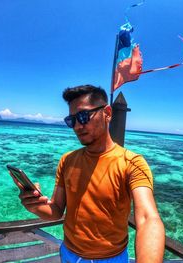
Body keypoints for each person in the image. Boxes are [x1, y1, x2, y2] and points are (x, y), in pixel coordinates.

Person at [18, 85, 165, 262]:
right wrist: (33, 205)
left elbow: (148, 219)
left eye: (83, 116)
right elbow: (56, 211)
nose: (78, 126)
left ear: (108, 113)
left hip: (110, 259)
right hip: (69, 254)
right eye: (72, 120)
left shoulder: (132, 163)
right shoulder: (67, 160)